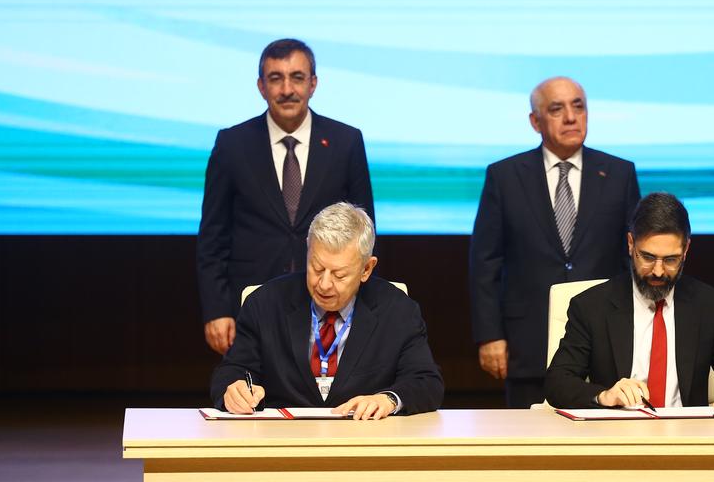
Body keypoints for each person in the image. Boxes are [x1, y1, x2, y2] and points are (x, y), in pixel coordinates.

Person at [469, 76, 640, 407]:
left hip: (604, 341)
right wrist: (490, 335)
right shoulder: (505, 176)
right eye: (557, 109)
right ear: (535, 122)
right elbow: (485, 263)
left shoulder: (619, 173)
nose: (571, 117)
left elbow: (631, 258)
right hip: (528, 343)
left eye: (578, 106)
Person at [198, 38, 374, 355]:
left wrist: (361, 305)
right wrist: (217, 310)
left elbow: (365, 231)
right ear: (261, 86)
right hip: (252, 305)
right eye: (276, 78)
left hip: (330, 303)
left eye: (297, 77)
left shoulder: (345, 141)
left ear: (313, 84)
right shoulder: (232, 144)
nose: (287, 89)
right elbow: (213, 235)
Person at [211, 202, 442, 420]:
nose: (324, 284)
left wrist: (388, 399)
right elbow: (231, 372)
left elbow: (426, 382)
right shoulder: (265, 304)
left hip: (363, 437)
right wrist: (235, 391)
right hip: (283, 438)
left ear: (366, 269)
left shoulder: (398, 310)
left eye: (339, 275)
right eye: (317, 268)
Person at [544, 192, 714, 413]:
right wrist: (604, 396)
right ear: (631, 244)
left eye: (670, 260)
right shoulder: (591, 306)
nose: (658, 271)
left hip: (689, 430)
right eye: (648, 257)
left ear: (686, 250)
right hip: (616, 429)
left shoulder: (709, 305)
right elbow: (558, 382)